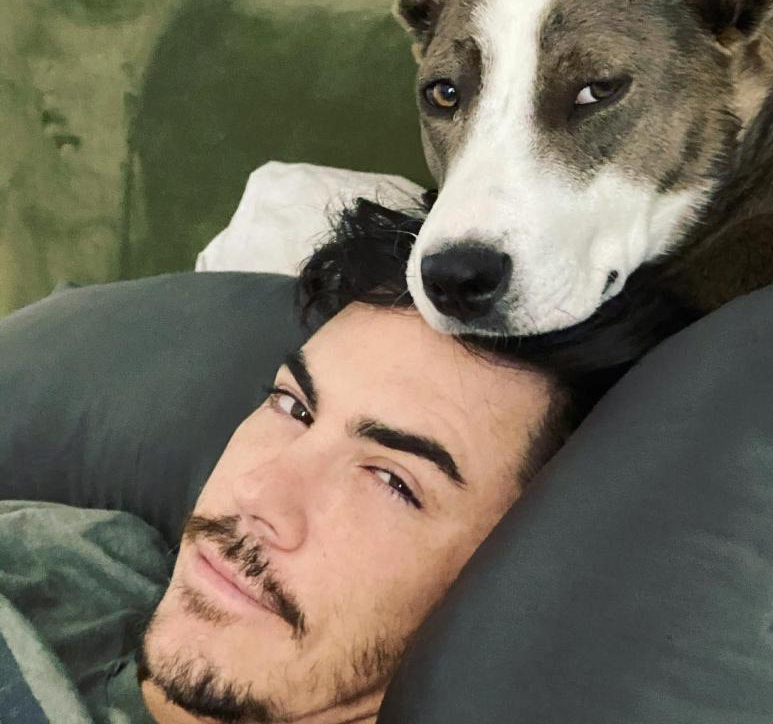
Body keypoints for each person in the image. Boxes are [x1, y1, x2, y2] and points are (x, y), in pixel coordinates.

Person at [0, 198, 688, 724]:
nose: (259, 494)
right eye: (293, 407)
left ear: (512, 584)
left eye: (391, 478)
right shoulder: (67, 555)